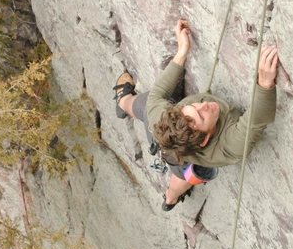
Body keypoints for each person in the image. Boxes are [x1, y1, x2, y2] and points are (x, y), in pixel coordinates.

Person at [114, 20, 278, 211]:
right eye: (201, 116)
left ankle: (123, 102)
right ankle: (170, 197)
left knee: (143, 105)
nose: (204, 105)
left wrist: (182, 50)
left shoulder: (164, 116)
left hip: (165, 137)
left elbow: (157, 93)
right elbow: (257, 120)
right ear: (204, 139)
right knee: (184, 175)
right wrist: (265, 83)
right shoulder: (229, 146)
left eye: (194, 106)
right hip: (173, 151)